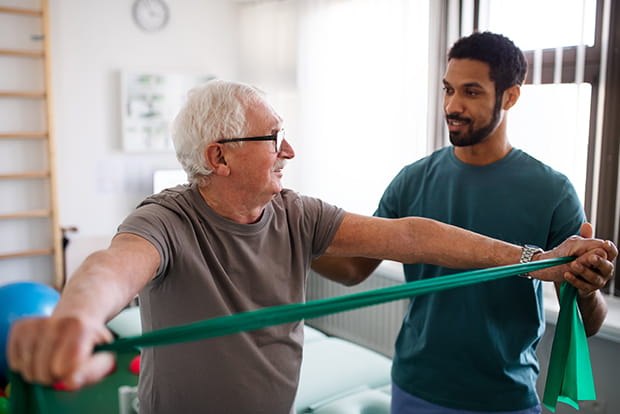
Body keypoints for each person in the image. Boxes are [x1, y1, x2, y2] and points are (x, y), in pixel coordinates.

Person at [7, 79, 616, 414]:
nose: (289, 152)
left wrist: (535, 262)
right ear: (218, 157)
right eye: (274, 138)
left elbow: (408, 234)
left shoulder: (293, 211)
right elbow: (114, 267)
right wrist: (76, 317)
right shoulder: (167, 219)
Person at [312, 32, 617, 414]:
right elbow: (354, 268)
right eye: (448, 89)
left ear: (510, 96)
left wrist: (588, 288)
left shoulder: (552, 191)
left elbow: (586, 323)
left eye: (471, 92)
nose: (452, 105)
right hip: (416, 388)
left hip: (505, 397)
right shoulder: (413, 179)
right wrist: (292, 238)